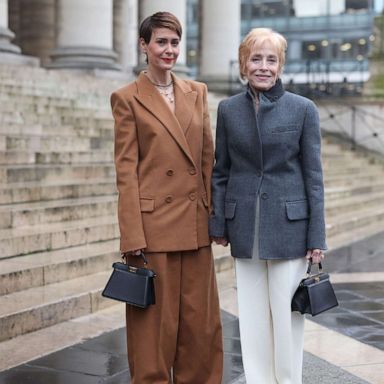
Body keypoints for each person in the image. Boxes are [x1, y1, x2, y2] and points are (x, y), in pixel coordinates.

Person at [110, 11, 223, 384]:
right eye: (161, 41)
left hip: (194, 226)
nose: (169, 49)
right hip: (153, 228)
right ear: (144, 45)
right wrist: (132, 237)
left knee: (199, 327)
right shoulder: (127, 98)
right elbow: (126, 172)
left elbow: (208, 161)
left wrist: (215, 219)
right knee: (153, 331)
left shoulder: (198, 92)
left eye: (174, 42)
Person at [209, 28, 327, 384]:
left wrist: (316, 234)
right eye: (256, 59)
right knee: (253, 316)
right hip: (244, 226)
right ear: (244, 64)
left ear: (280, 65)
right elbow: (221, 170)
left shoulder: (303, 109)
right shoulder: (228, 109)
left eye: (271, 59)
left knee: (286, 315)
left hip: (290, 227)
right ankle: (258, 379)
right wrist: (218, 223)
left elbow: (314, 177)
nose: (263, 66)